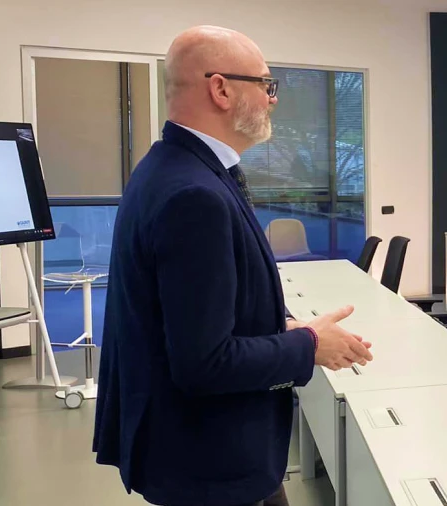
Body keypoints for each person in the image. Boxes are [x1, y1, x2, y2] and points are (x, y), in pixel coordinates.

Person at [93, 26, 374, 506]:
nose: (273, 99)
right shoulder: (194, 195)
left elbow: (197, 315)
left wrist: (284, 326)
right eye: (265, 84)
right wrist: (309, 345)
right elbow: (204, 364)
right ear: (221, 89)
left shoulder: (176, 168)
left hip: (210, 452)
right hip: (209, 461)